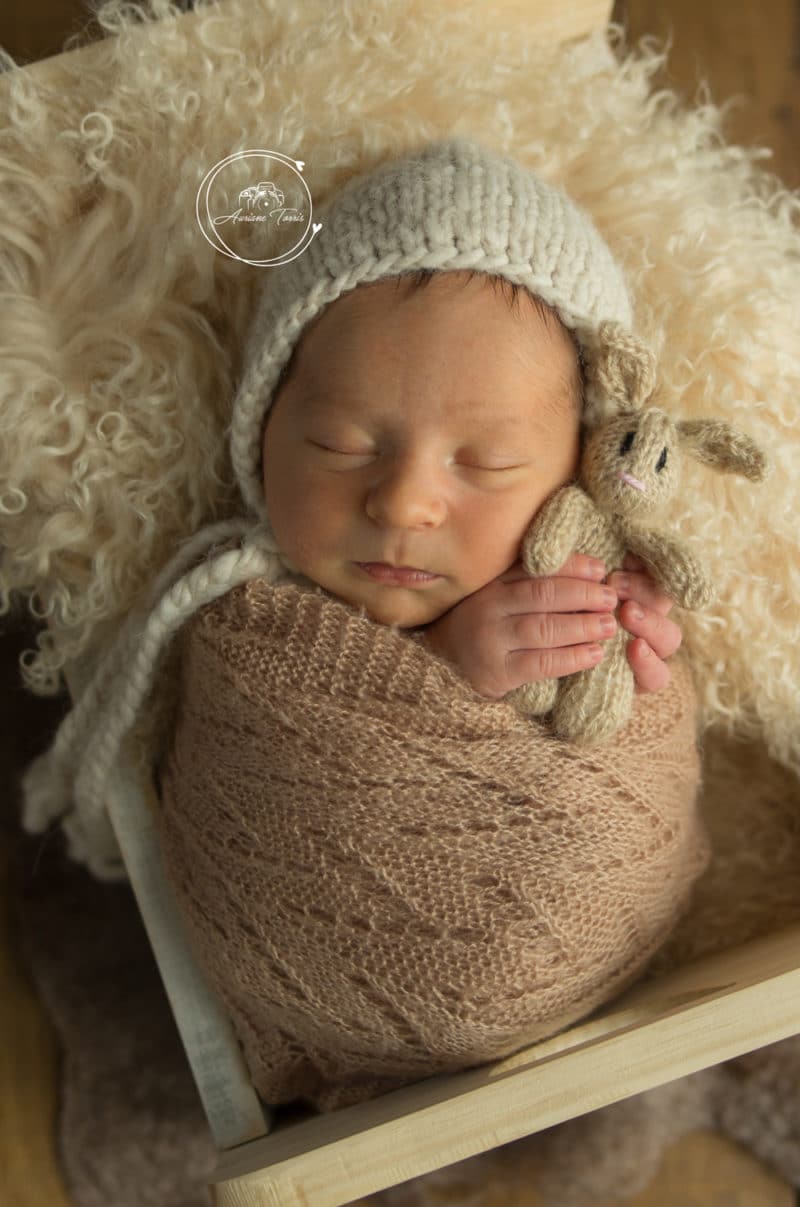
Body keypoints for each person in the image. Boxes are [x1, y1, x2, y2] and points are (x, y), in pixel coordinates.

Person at [21, 136, 711, 1112]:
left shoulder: (582, 569)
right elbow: (245, 777)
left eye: (486, 464)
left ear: (581, 467)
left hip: (594, 976)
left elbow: (640, 764)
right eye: (338, 444)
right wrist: (444, 666)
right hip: (299, 973)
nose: (401, 502)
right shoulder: (251, 627)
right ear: (262, 430)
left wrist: (628, 650)